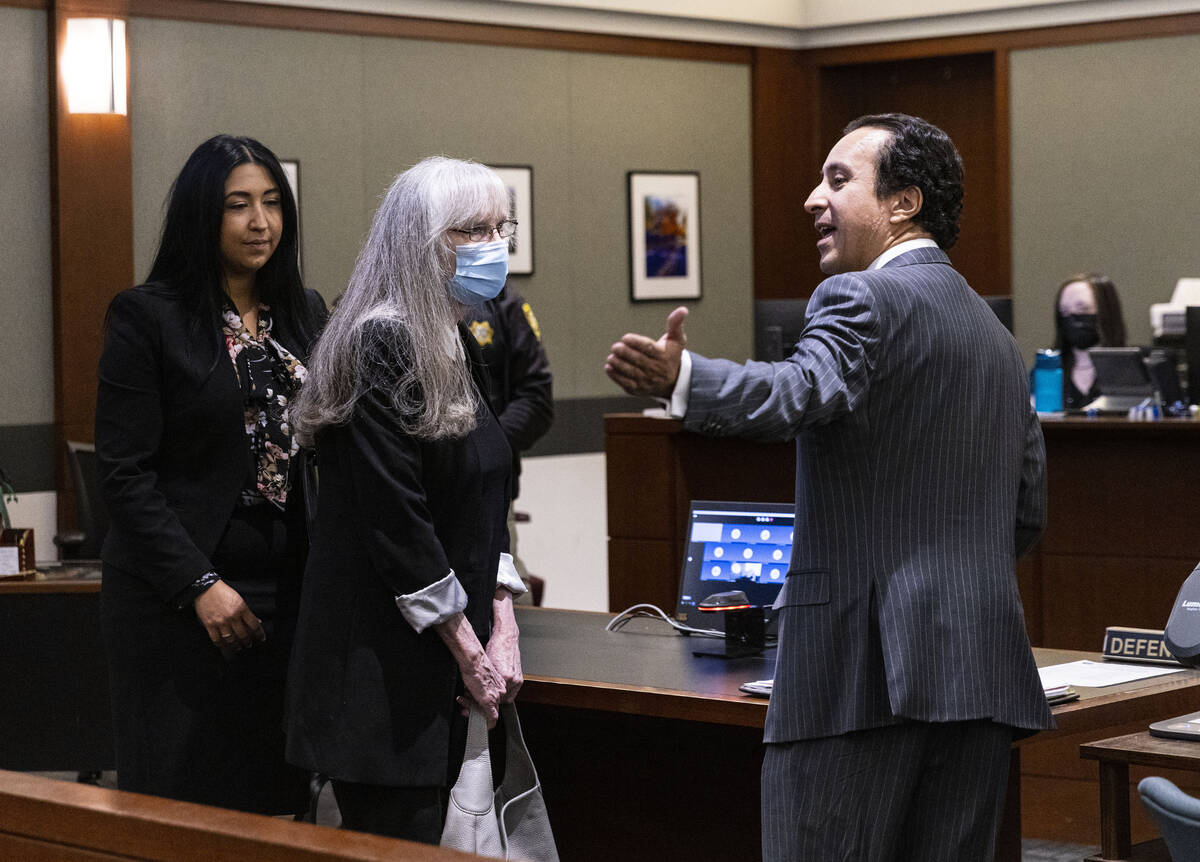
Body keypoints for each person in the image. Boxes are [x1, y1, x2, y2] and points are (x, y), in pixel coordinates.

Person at [605, 113, 1051, 860]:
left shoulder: (860, 298)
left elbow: (802, 390)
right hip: (981, 676)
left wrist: (686, 376)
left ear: (904, 203)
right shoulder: (996, 337)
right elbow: (1027, 509)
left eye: (839, 180)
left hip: (858, 678)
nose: (814, 197)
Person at [285, 156, 525, 844]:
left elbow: (486, 492)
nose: (493, 244)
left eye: (499, 226)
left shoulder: (457, 336)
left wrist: (502, 622)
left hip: (443, 665)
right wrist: (472, 653)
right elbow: (399, 524)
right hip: (379, 681)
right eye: (470, 230)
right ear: (421, 243)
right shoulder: (380, 341)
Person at [96, 134, 326, 814]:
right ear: (204, 215)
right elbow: (125, 475)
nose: (261, 222)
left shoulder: (305, 313)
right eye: (238, 205)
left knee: (275, 800)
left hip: (286, 587)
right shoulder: (148, 317)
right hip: (178, 598)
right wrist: (199, 584)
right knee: (183, 803)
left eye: (272, 203)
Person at [463, 287, 553, 600]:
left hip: (489, 495)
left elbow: (536, 400)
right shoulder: (394, 307)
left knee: (507, 610)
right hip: (415, 496)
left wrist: (477, 451)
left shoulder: (504, 307)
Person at [1053, 272, 1127, 410]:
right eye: (1064, 312)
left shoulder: (1130, 372)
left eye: (1083, 309)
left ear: (1105, 311)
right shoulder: (1048, 373)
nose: (1072, 318)